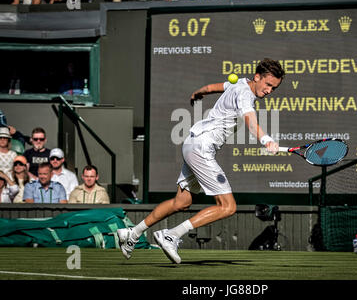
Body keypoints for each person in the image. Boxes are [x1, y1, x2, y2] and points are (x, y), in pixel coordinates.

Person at [117, 58, 285, 263]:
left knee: (182, 201)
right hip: (202, 148)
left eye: (273, 88)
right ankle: (171, 235)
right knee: (228, 207)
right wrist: (266, 140)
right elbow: (250, 119)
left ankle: (132, 234)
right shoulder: (245, 94)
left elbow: (215, 87)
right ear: (257, 77)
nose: (269, 91)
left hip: (192, 143)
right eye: (268, 85)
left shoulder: (239, 82)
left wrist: (200, 91)